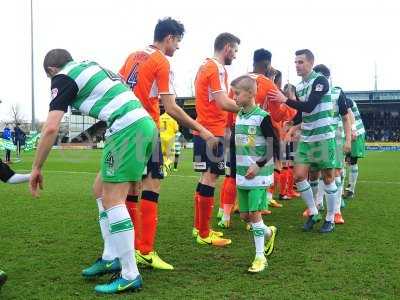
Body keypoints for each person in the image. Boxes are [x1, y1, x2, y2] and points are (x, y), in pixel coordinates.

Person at [30, 49, 156, 294]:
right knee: (99, 190)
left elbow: (50, 128)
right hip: (138, 124)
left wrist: (36, 167)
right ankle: (110, 256)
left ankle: (130, 274)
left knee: (113, 199)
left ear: (51, 71)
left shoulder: (63, 77)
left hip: (127, 127)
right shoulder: (89, 66)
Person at [118, 18, 218, 268]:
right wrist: (201, 129)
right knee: (152, 186)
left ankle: (128, 250)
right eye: (178, 42)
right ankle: (146, 251)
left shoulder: (133, 56)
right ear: (170, 37)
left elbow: (119, 86)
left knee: (131, 189)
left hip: (124, 128)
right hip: (145, 127)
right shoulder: (162, 62)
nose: (178, 48)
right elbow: (171, 106)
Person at [268, 49, 338, 233]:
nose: (297, 65)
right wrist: (292, 123)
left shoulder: (320, 81)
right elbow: (302, 113)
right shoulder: (299, 87)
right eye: (295, 62)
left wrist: (286, 100)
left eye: (300, 62)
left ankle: (330, 218)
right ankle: (314, 212)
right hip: (307, 137)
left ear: (310, 63)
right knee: (299, 176)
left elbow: (310, 105)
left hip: (324, 137)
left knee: (328, 178)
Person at [192, 32, 241, 246]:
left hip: (202, 129)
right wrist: (247, 108)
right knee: (210, 178)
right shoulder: (217, 68)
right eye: (235, 51)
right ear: (227, 47)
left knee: (205, 177)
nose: (235, 56)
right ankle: (204, 233)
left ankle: (199, 228)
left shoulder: (204, 66)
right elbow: (222, 102)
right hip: (212, 131)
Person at [230, 75, 277, 272]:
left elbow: (273, 145)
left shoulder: (262, 116)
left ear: (250, 94)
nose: (234, 97)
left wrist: (258, 165)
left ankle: (260, 258)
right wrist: (233, 170)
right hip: (242, 175)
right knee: (245, 216)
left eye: (237, 93)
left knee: (255, 215)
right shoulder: (239, 115)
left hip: (259, 174)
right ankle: (268, 232)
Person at [311, 64, 352, 225]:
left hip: (334, 137)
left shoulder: (336, 92)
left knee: (335, 173)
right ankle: (317, 203)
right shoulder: (310, 92)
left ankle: (336, 212)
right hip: (316, 138)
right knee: (317, 173)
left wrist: (348, 139)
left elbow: (345, 117)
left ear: (327, 78)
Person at [343, 97, 365, 198]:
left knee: (351, 161)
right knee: (345, 161)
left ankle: (351, 190)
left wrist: (353, 129)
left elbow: (350, 112)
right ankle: (345, 189)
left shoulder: (345, 100)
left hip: (355, 133)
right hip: (347, 133)